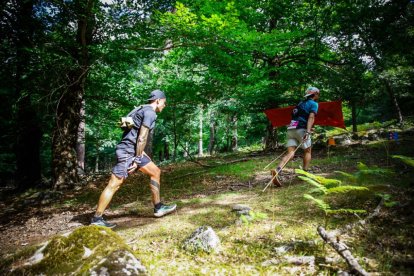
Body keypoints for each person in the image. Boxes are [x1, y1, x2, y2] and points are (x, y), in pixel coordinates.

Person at [91, 89, 176, 228]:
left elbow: (127, 129)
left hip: (134, 150)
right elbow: (142, 137)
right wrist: (137, 159)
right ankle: (96, 219)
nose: (164, 106)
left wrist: (141, 154)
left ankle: (158, 207)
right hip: (127, 152)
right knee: (114, 184)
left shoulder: (140, 109)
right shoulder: (150, 113)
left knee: (155, 172)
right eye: (164, 103)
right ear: (158, 100)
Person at [271, 87, 320, 186]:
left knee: (291, 153)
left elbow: (298, 117)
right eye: (318, 94)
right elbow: (311, 117)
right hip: (301, 130)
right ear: (315, 94)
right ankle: (305, 173)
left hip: (291, 129)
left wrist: (307, 128)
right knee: (307, 150)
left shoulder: (300, 104)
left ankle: (278, 169)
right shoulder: (314, 104)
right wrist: (308, 131)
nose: (318, 96)